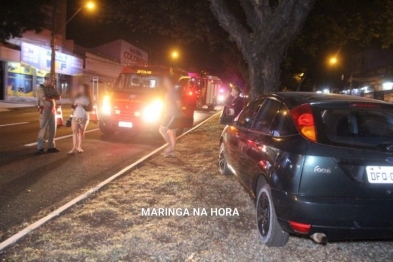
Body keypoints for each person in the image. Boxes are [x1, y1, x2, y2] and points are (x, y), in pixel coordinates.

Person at [36, 73, 61, 155]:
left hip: (52, 111)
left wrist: (50, 97)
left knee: (53, 129)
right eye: (52, 80)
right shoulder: (41, 88)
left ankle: (51, 146)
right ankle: (40, 148)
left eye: (53, 80)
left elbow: (58, 97)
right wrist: (51, 97)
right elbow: (44, 98)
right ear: (46, 79)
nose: (53, 81)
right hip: (45, 111)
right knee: (43, 130)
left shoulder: (52, 88)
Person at [159, 75, 181, 158]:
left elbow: (178, 102)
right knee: (170, 132)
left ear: (168, 82)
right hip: (170, 114)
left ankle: (170, 147)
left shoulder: (172, 91)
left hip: (172, 114)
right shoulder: (169, 91)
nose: (164, 82)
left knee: (162, 129)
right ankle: (172, 152)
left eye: (165, 81)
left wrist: (178, 112)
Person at [68, 84, 92, 154]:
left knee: (81, 132)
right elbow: (72, 106)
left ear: (85, 89)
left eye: (82, 88)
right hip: (75, 116)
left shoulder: (88, 98)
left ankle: (79, 147)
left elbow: (90, 108)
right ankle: (74, 148)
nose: (80, 89)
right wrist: (74, 105)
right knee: (74, 131)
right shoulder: (77, 96)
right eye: (80, 88)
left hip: (83, 117)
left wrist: (83, 105)